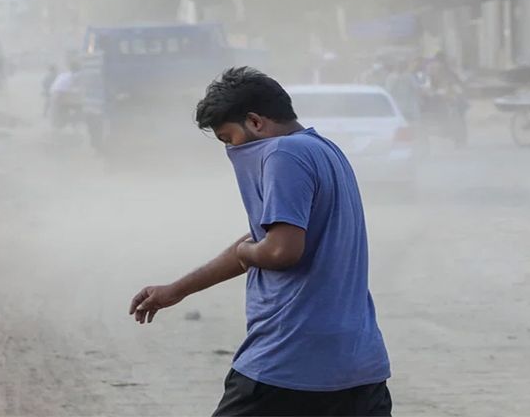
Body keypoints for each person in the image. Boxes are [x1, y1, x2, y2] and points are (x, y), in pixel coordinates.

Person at [129, 67, 392, 416]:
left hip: (288, 362)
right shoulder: (325, 150)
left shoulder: (284, 154)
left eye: (228, 139)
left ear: (254, 122)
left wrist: (246, 251)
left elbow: (280, 250)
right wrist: (177, 289)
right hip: (359, 367)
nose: (230, 150)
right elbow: (261, 242)